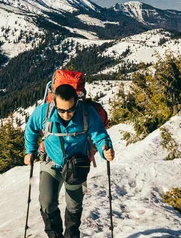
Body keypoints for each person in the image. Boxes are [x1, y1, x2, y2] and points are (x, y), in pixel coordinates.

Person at [24, 84, 115, 238]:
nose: (67, 114)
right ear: (54, 103)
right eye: (62, 110)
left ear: (76, 102)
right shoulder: (43, 112)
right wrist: (29, 151)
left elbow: (100, 136)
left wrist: (106, 149)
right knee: (46, 202)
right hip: (51, 162)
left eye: (71, 109)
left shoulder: (87, 114)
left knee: (74, 205)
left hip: (76, 166)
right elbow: (31, 129)